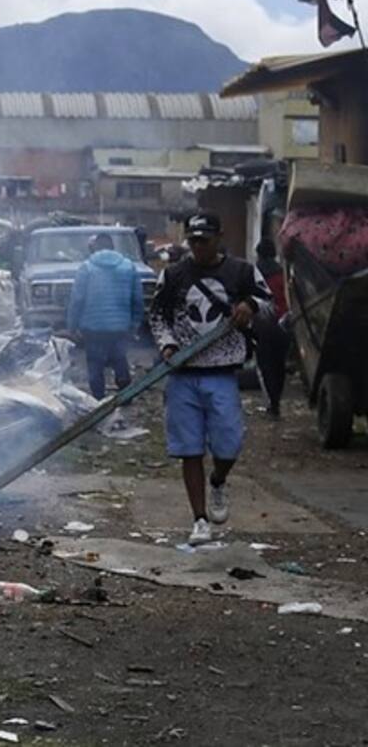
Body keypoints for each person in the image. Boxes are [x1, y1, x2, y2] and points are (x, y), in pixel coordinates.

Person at [150, 212, 271, 545]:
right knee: (189, 450)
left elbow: (269, 302)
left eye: (204, 240)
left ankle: (218, 480)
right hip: (183, 374)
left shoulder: (242, 271)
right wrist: (168, 344)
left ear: (219, 238)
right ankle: (199, 519)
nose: (198, 247)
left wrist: (249, 305)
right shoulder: (173, 275)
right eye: (193, 241)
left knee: (228, 444)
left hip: (222, 372)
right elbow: (157, 315)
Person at [66, 232, 143, 401]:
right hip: (121, 326)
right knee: (120, 358)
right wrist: (135, 323)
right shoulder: (128, 267)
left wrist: (72, 326)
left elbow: (77, 299)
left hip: (93, 327)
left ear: (94, 248)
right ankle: (126, 396)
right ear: (112, 247)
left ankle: (98, 400)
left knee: (95, 363)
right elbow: (137, 299)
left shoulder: (86, 267)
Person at [253, 239, 290, 418]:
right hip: (284, 324)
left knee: (265, 366)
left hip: (263, 325)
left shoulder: (254, 273)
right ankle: (276, 402)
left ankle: (273, 406)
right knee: (279, 365)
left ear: (259, 254)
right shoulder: (283, 273)